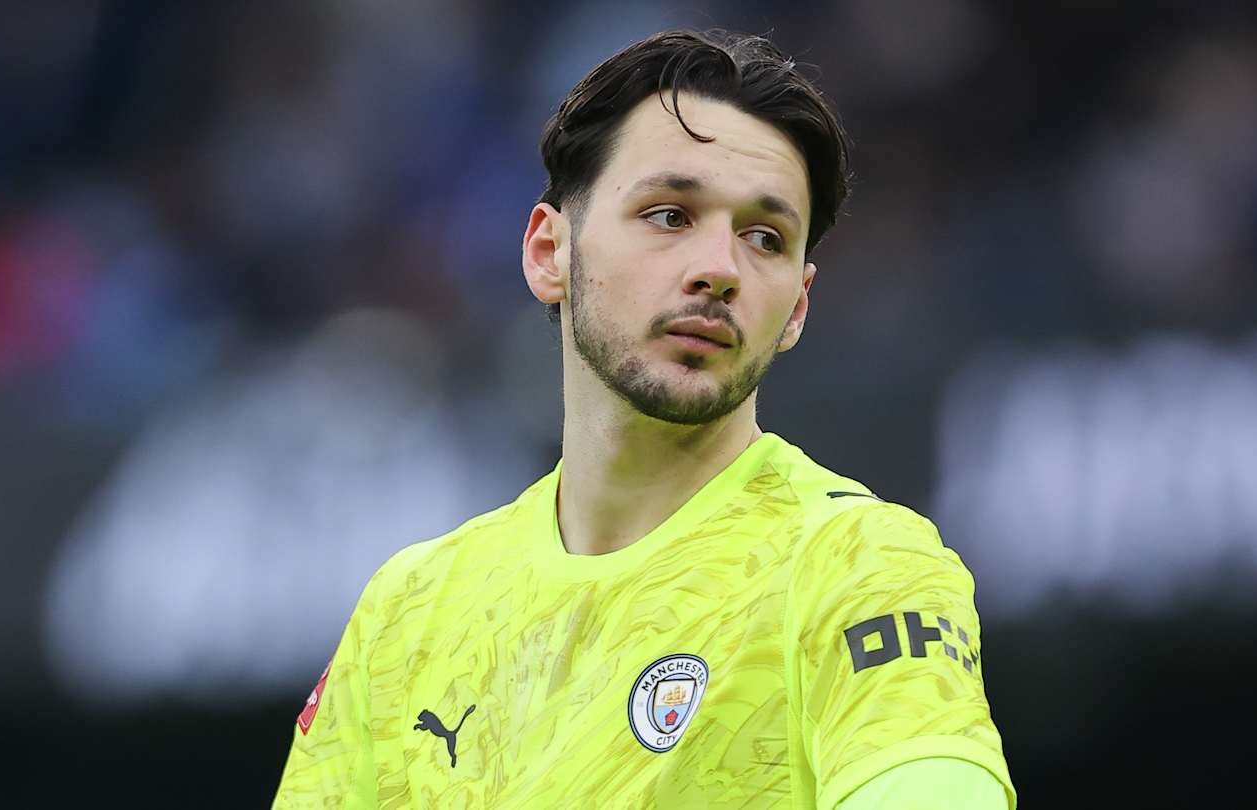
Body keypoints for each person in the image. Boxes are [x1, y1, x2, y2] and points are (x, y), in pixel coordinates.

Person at [274, 29, 1016, 809]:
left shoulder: (858, 566)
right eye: (669, 215)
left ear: (797, 308)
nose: (720, 270)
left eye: (764, 238)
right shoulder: (407, 615)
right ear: (549, 252)